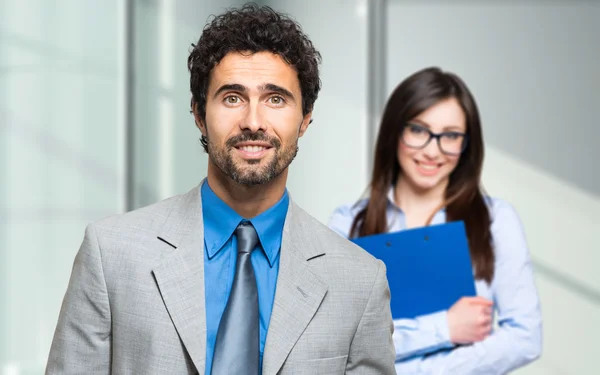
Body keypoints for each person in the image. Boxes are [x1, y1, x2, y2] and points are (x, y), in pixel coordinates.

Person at [45, 4, 396, 375]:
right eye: (233, 97)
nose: (253, 122)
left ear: (305, 120)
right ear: (199, 114)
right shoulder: (111, 254)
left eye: (275, 99)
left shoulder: (360, 281)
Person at [328, 66, 542, 374]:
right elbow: (339, 343)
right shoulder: (348, 225)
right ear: (394, 132)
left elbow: (525, 338)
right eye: (418, 130)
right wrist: (445, 328)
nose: (432, 151)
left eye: (451, 136)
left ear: (466, 143)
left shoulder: (496, 220)